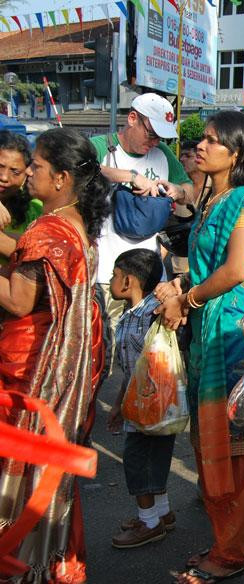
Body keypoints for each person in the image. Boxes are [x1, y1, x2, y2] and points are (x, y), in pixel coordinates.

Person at [153, 111, 244, 583]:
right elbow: (210, 269)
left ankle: (229, 552)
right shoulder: (213, 198)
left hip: (229, 332)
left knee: (230, 446)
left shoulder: (243, 200)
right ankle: (237, 540)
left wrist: (186, 297)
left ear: (237, 152)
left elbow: (237, 270)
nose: (200, 147)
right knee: (217, 442)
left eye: (210, 140)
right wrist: (181, 286)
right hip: (209, 322)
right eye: (201, 139)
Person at [0, 128, 110, 582]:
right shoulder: (75, 224)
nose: (28, 173)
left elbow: (18, 301)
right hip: (55, 362)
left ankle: (22, 557)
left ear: (62, 177)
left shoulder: (47, 230)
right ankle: (50, 557)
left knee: (20, 462)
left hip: (29, 364)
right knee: (44, 466)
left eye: (37, 167)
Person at [91, 93, 193, 364]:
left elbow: (189, 190)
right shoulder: (101, 146)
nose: (155, 142)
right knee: (102, 354)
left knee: (144, 358)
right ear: (132, 118)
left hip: (150, 278)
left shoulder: (163, 155)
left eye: (161, 137)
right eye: (151, 133)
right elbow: (82, 169)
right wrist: (130, 177)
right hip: (105, 274)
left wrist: (178, 190)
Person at [105, 249, 176, 549]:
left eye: (114, 275)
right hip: (136, 403)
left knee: (138, 462)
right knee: (152, 460)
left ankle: (149, 523)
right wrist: (120, 401)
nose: (110, 280)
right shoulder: (129, 315)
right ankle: (161, 513)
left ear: (128, 281)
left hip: (151, 406)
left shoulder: (152, 313)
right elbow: (127, 364)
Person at [0, 131, 42, 262]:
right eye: (0, 167)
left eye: (15, 171)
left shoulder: (35, 209)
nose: (4, 177)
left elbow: (35, 255)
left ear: (27, 174)